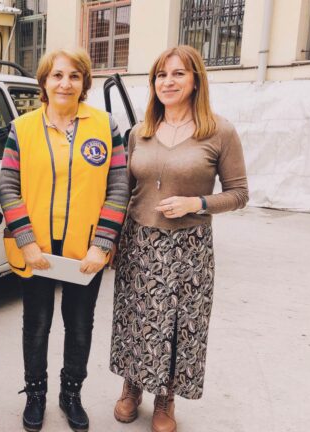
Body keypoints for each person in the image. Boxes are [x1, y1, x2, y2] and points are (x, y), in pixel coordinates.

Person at [110, 45, 248, 432]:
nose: (168, 82)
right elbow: (124, 190)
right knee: (136, 317)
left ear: (195, 81)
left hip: (189, 244)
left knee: (175, 323)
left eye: (178, 74)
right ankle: (132, 386)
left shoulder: (219, 131)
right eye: (161, 75)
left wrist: (196, 202)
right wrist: (113, 239)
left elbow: (239, 193)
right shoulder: (140, 132)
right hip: (139, 240)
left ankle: (165, 398)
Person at [0, 49, 129, 432]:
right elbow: (8, 187)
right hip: (36, 250)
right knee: (36, 325)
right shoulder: (22, 128)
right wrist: (26, 241)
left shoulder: (105, 126)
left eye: (74, 75)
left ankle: (71, 394)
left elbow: (118, 187)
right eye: (57, 75)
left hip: (85, 251)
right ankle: (35, 393)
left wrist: (102, 245)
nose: (65, 83)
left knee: (80, 325)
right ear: (44, 82)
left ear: (84, 82)